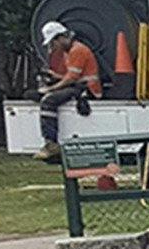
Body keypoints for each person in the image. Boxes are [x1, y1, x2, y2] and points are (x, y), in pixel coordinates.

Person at [35, 22, 100, 162]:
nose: (53, 47)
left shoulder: (77, 50)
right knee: (36, 95)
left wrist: (51, 89)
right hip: (79, 85)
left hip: (86, 88)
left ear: (60, 38)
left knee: (48, 101)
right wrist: (54, 76)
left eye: (53, 43)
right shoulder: (69, 51)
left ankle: (51, 143)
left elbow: (71, 78)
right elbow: (70, 75)